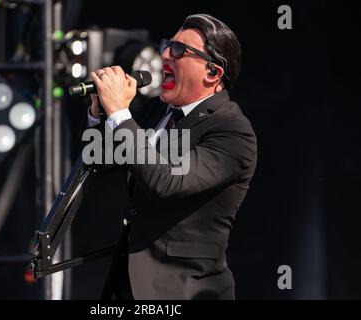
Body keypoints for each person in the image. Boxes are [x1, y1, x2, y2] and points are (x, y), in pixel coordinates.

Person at [85, 13, 257, 300]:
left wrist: (119, 113)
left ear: (212, 73)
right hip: (129, 285)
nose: (164, 53)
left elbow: (166, 181)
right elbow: (97, 160)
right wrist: (98, 114)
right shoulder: (158, 112)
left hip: (183, 290)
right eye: (167, 44)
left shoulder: (231, 131)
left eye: (179, 50)